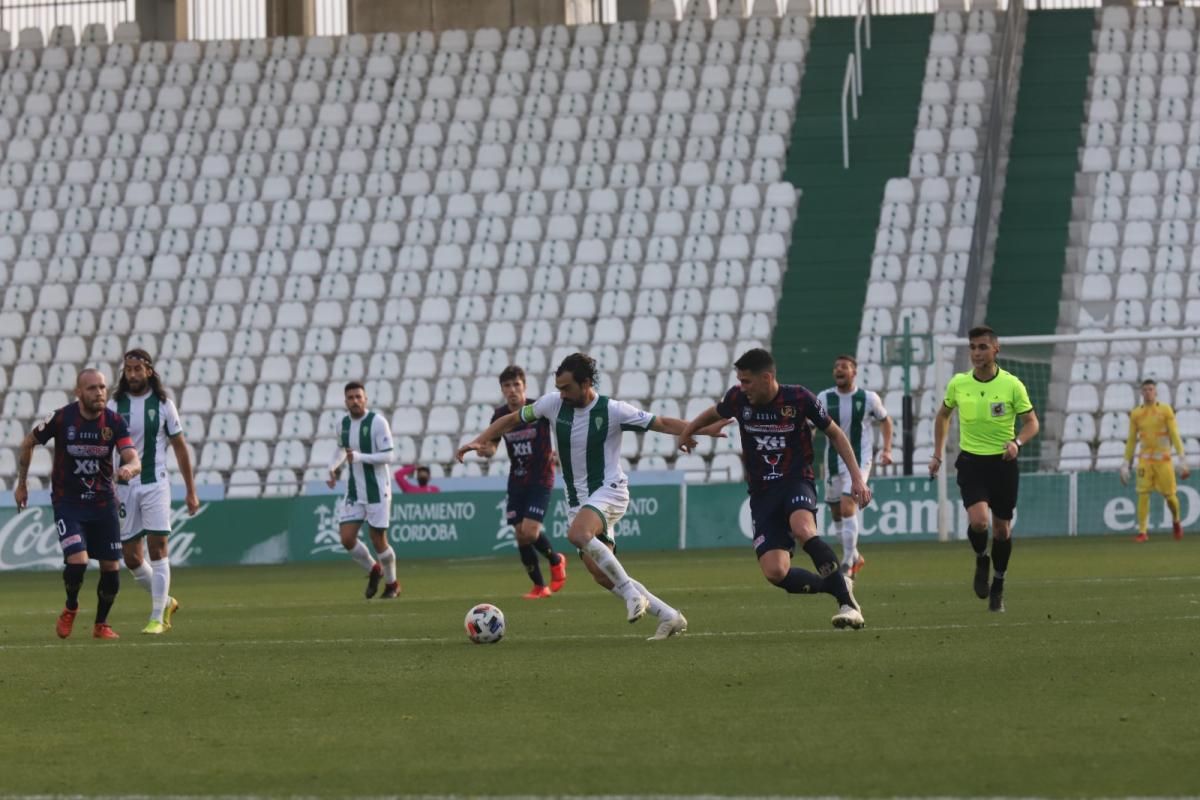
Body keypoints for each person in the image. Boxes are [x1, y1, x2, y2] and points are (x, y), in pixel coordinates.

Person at [457, 352, 729, 640]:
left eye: (566, 388)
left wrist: (700, 428)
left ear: (585, 383)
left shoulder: (613, 410)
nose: (561, 394)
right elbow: (511, 419)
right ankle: (669, 616)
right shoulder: (551, 404)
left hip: (610, 491)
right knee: (601, 573)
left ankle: (632, 596)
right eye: (559, 388)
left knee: (577, 534)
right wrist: (481, 439)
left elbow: (660, 422)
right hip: (578, 502)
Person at [679, 348, 870, 630]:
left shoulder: (799, 398)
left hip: (796, 480)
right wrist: (688, 430)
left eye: (747, 381)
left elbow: (835, 433)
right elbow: (715, 411)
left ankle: (848, 605)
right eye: (740, 381)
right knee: (776, 572)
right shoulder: (738, 398)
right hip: (762, 493)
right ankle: (837, 585)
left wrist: (857, 478)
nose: (742, 387)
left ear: (767, 378)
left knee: (804, 529)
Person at [15, 368, 141, 639]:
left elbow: (133, 457)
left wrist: (130, 468)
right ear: (79, 392)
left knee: (111, 568)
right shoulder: (61, 418)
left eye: (102, 387)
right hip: (68, 502)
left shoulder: (114, 422)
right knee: (78, 561)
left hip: (104, 503)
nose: (99, 393)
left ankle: (101, 624)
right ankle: (71, 607)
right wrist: (22, 483)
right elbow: (28, 442)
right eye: (92, 388)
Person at [930, 325, 1039, 613]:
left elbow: (1032, 423)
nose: (976, 353)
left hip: (1003, 465)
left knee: (1002, 531)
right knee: (979, 522)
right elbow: (942, 416)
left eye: (982, 347)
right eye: (973, 348)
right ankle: (981, 557)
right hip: (971, 462)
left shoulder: (1012, 385)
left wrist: (1017, 442)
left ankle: (999, 584)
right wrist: (937, 455)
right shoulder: (958, 383)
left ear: (995, 349)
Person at [108, 349, 201, 635]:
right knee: (132, 557)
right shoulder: (114, 404)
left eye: (138, 369)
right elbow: (106, 449)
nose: (133, 374)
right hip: (124, 486)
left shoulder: (163, 404)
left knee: (158, 548)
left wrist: (190, 490)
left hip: (154, 483)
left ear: (149, 371)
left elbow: (180, 448)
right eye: (129, 369)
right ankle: (166, 601)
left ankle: (157, 617)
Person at [482, 365, 567, 599]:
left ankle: (556, 559)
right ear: (502, 389)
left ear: (524, 386)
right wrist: (485, 450)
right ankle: (540, 586)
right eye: (507, 386)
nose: (512, 390)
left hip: (541, 477)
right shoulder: (500, 416)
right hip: (517, 479)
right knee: (520, 535)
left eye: (516, 385)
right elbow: (492, 445)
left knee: (529, 532)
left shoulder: (537, 409)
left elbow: (562, 427)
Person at [817, 354, 892, 578]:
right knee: (837, 513)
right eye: (836, 367)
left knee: (848, 503)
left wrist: (887, 449)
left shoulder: (868, 398)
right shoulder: (824, 397)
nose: (839, 370)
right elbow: (811, 425)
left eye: (844, 367)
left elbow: (886, 421)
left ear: (854, 372)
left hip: (859, 460)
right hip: (832, 461)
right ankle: (855, 556)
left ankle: (847, 564)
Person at [325, 382, 399, 599]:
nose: (355, 401)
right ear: (345, 401)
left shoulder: (377, 422)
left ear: (365, 399)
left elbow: (388, 456)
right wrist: (332, 468)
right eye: (350, 397)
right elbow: (341, 449)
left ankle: (392, 584)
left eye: (358, 396)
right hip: (355, 490)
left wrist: (360, 457)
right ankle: (374, 570)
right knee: (347, 539)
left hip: (377, 489)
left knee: (378, 540)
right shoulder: (342, 423)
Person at [1121, 379, 1190, 542]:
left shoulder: (1165, 410)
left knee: (1171, 498)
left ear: (1156, 392)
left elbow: (1174, 434)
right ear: (1141, 393)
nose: (1148, 392)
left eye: (1150, 389)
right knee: (1143, 494)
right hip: (1145, 461)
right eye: (1145, 390)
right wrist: (1126, 463)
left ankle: (1176, 520)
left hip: (1164, 461)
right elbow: (1131, 440)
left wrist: (1181, 457)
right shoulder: (1136, 414)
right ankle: (1143, 532)